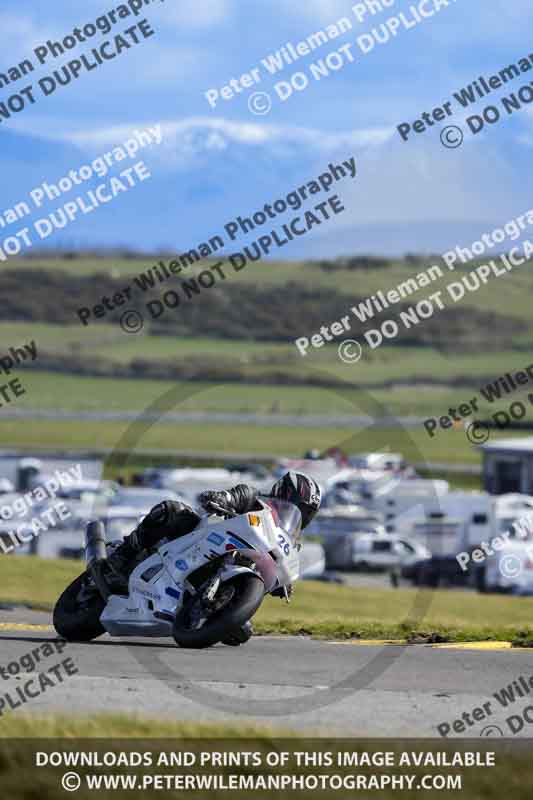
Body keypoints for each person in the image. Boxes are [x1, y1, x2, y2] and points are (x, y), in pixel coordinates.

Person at [93, 472, 322, 644]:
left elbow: (279, 564)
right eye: (302, 506)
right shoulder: (253, 499)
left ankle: (202, 608)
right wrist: (222, 498)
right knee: (172, 511)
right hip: (201, 540)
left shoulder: (290, 541)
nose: (303, 513)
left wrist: (282, 583)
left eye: (308, 511)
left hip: (231, 570)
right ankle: (121, 558)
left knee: (241, 634)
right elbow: (232, 495)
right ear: (283, 493)